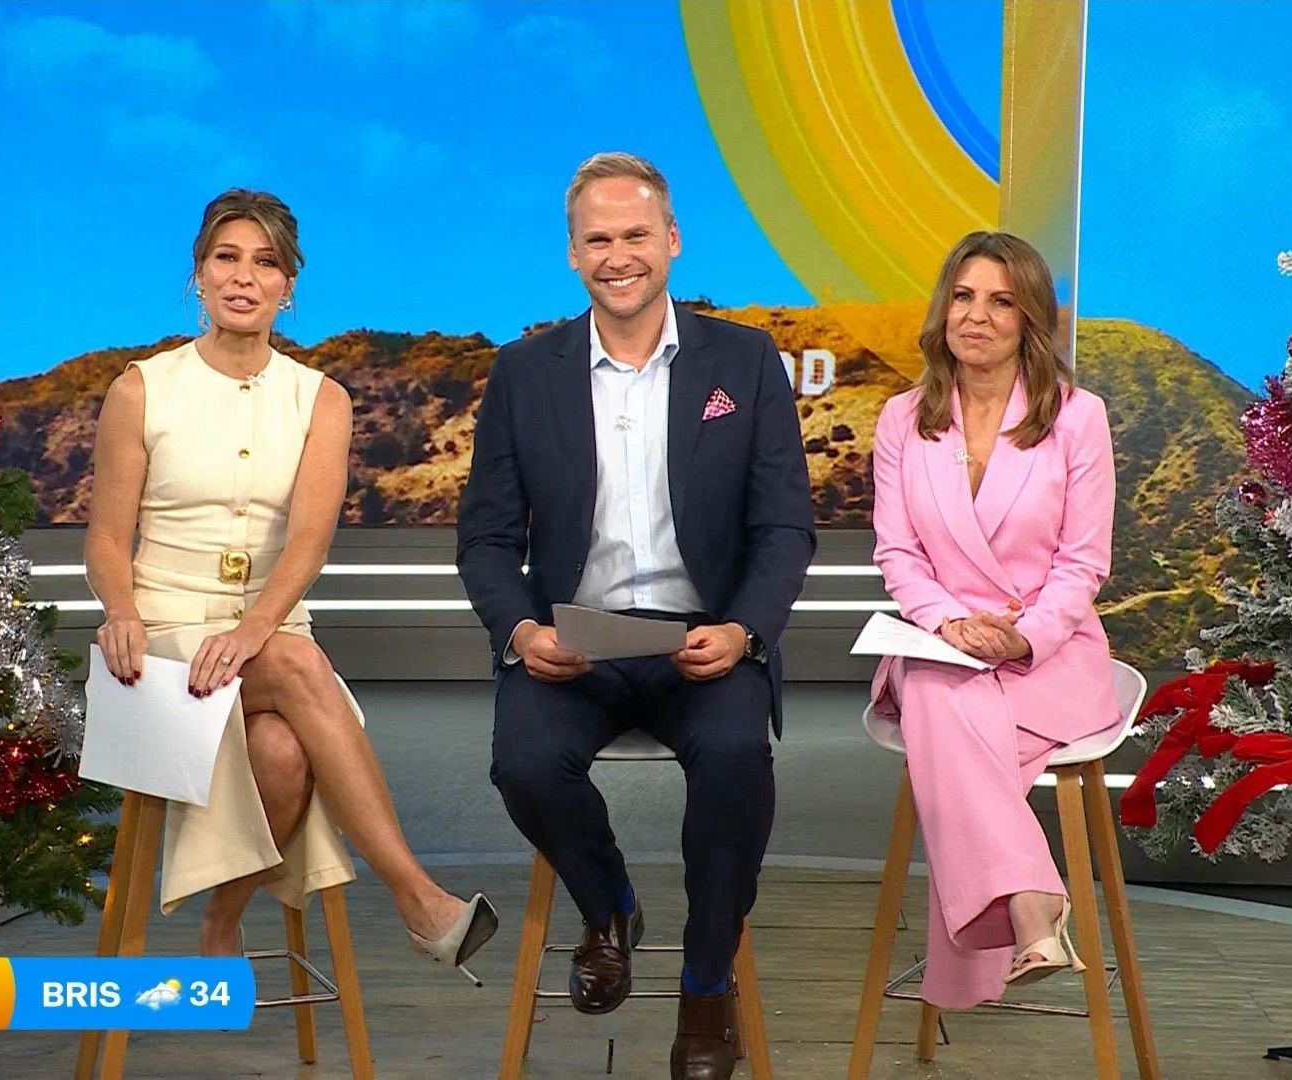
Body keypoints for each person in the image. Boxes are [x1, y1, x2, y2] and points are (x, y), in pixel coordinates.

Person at [456, 152, 814, 1079]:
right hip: (573, 642)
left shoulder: (744, 360)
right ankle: (611, 906)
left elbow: (784, 528)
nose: (619, 256)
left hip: (706, 639)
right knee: (524, 764)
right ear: (573, 254)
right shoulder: (522, 373)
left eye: (636, 235)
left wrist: (744, 632)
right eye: (598, 239)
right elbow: (486, 542)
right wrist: (522, 632)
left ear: (673, 241)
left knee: (735, 761)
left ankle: (705, 989)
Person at [85, 188, 496, 975]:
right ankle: (418, 900)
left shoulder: (322, 399)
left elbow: (309, 538)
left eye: (265, 263)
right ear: (198, 275)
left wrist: (252, 631)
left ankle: (221, 919)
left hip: (267, 632)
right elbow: (106, 538)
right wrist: (121, 610)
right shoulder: (141, 389)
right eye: (226, 258)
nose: (244, 277)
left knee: (281, 752)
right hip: (162, 642)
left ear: (288, 286)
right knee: (303, 667)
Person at [866, 230, 1121, 1008]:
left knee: (941, 716)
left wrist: (1022, 635)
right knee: (938, 687)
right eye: (963, 296)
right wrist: (949, 623)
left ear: (1029, 319)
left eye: (1001, 301)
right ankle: (1033, 904)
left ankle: (1017, 911)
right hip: (941, 643)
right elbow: (898, 553)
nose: (976, 316)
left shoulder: (1077, 417)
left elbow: (1084, 562)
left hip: (1048, 654)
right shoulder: (902, 419)